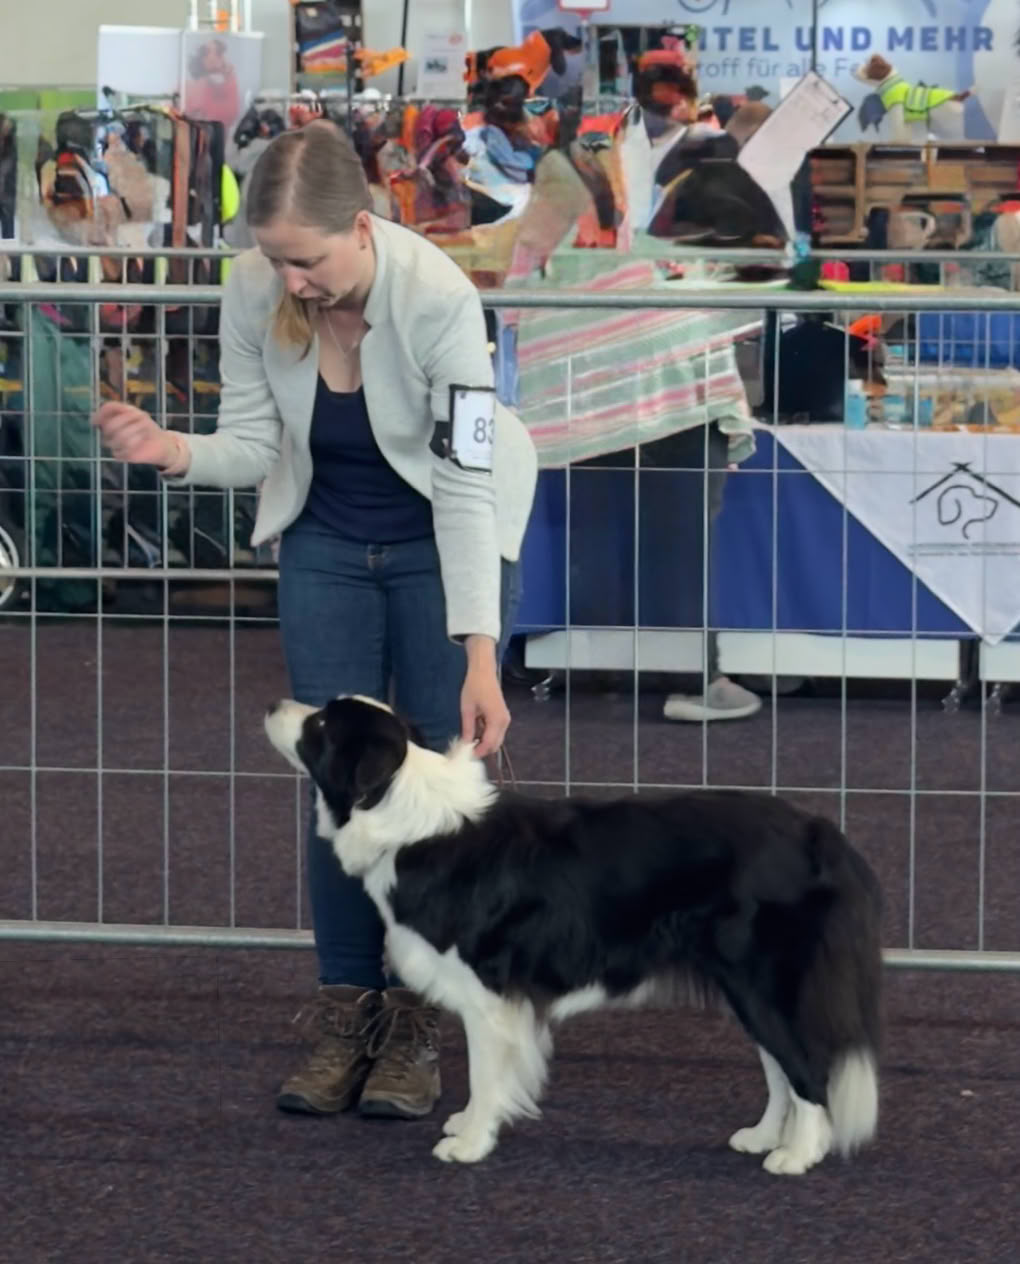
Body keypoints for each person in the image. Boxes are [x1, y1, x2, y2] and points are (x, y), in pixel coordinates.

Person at [92, 119, 538, 1123]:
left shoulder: (444, 304)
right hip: (326, 544)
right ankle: (347, 1015)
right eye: (275, 258)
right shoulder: (256, 288)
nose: (289, 280)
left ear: (362, 224)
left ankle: (420, 1025)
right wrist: (173, 449)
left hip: (446, 540)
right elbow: (253, 442)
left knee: (435, 795)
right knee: (337, 792)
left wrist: (481, 655)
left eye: (307, 260)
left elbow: (465, 490)